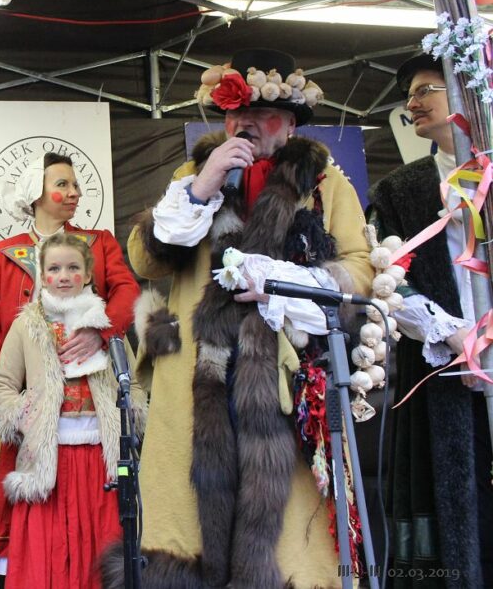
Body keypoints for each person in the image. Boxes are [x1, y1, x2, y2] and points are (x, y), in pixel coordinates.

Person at [123, 48, 373, 588]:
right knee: (186, 524)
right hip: (197, 373)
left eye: (263, 115)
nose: (247, 124)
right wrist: (202, 187)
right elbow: (144, 260)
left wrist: (288, 284)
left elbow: (359, 270)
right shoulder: (192, 175)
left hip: (285, 374)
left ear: (290, 124)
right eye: (238, 114)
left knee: (287, 535)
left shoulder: (326, 184)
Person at [0, 151, 140, 574]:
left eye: (76, 184)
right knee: (34, 513)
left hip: (91, 410)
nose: (74, 192)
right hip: (31, 408)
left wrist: (100, 331)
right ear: (36, 191)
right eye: (62, 184)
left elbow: (127, 294)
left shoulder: (99, 243)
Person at [367, 54, 492, 587]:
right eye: (410, 94)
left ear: (464, 93)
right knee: (454, 506)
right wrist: (456, 334)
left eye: (425, 90)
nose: (412, 103)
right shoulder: (400, 189)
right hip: (442, 370)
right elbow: (388, 278)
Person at [0, 232, 133, 589]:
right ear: (42, 275)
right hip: (48, 458)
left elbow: (132, 381)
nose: (64, 275)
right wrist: (26, 415)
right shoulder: (27, 324)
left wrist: (128, 415)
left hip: (99, 455)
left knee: (100, 547)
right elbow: (3, 385)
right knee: (48, 551)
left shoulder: (106, 324)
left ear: (88, 274)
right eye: (54, 269)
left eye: (73, 267)